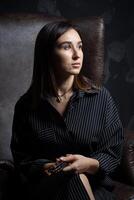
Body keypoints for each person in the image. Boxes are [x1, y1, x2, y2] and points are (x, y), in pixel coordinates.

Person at [10, 20, 124, 200]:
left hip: (95, 186)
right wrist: (44, 166)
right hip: (47, 189)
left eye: (79, 47)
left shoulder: (100, 97)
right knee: (69, 176)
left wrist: (88, 164)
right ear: (48, 54)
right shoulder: (27, 106)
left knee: (75, 176)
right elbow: (23, 158)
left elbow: (113, 151)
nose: (77, 55)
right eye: (66, 47)